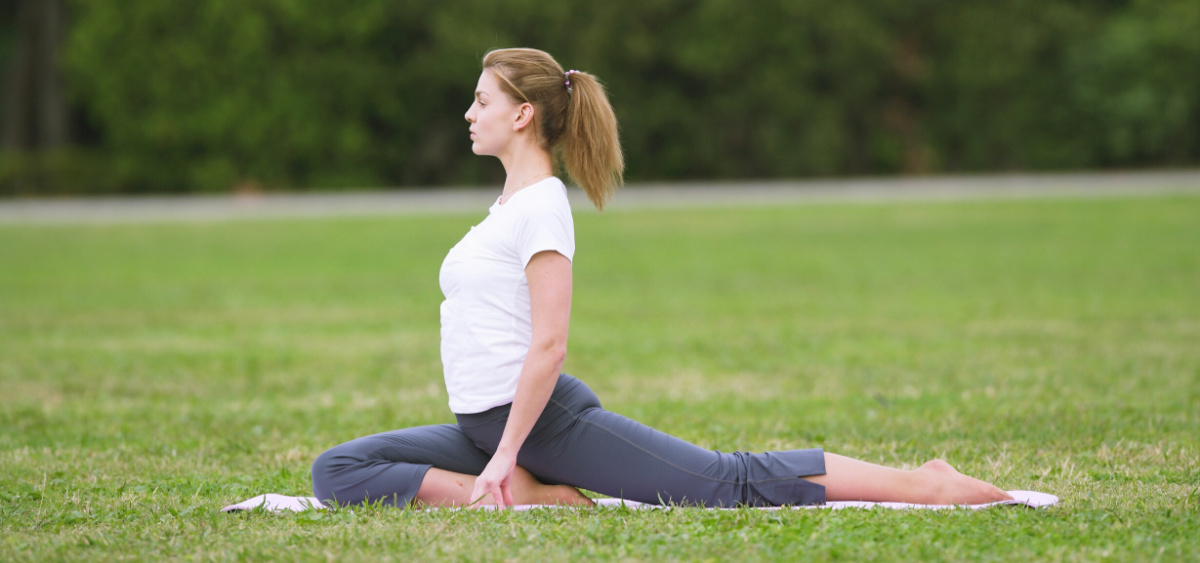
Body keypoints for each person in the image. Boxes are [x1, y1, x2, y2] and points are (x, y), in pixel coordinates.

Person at [311, 48, 1012, 509]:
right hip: (486, 426)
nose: (469, 114)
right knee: (336, 471)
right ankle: (533, 494)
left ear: (521, 115)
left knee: (722, 480)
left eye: (481, 102)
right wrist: (496, 457)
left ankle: (926, 483)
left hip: (539, 422)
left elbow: (549, 345)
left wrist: (510, 450)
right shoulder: (503, 209)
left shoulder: (542, 208)